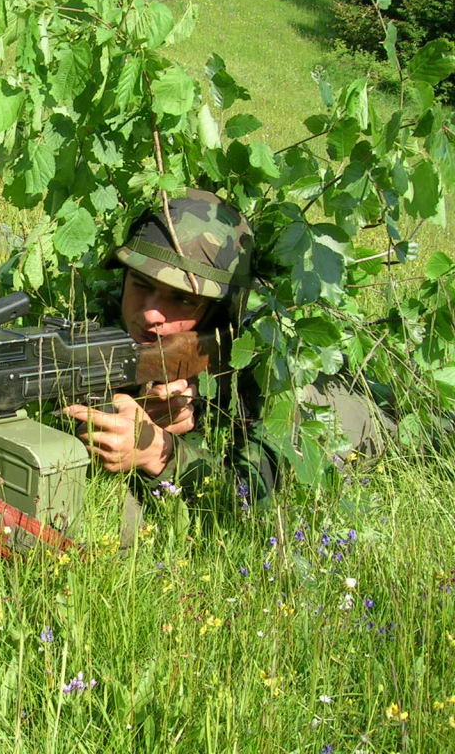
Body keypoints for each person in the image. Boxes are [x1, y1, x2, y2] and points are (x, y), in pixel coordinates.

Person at [60, 189, 392, 542]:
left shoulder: (269, 369)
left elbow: (257, 503)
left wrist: (163, 452)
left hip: (370, 415)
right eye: (141, 285)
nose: (151, 313)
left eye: (182, 299)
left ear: (220, 311)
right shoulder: (98, 328)